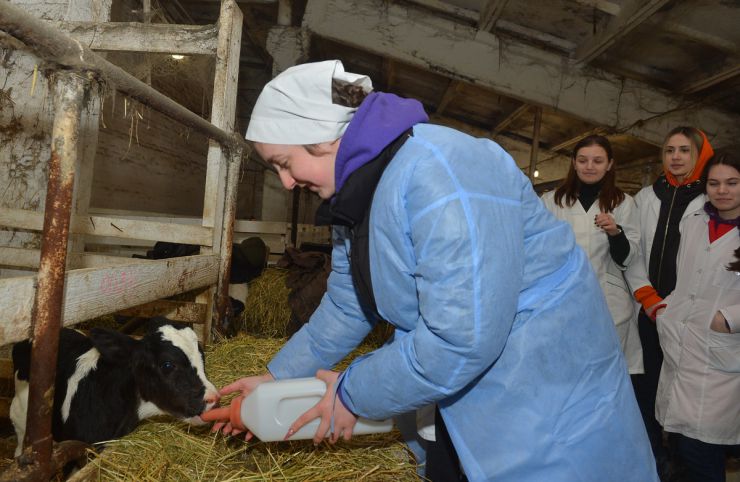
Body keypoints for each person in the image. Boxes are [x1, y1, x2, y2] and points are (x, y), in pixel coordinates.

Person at [215, 60, 657, 481]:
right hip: (466, 387)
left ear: (324, 138)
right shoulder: (356, 194)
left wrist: (353, 392)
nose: (287, 183)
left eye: (284, 163)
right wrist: (278, 377)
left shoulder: (443, 172)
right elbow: (349, 303)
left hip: (544, 392)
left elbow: (460, 339)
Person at [625, 126, 714, 476]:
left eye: (684, 150)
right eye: (669, 150)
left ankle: (681, 457)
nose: (675, 157)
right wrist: (648, 296)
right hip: (647, 309)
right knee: (645, 386)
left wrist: (676, 303)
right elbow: (633, 251)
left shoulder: (709, 198)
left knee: (683, 389)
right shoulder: (647, 195)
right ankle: (652, 458)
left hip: (686, 313)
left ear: (700, 155)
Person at [653, 151, 740, 482]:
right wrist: (667, 309)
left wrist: (729, 319)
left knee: (701, 454)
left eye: (732, 183)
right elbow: (684, 280)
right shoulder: (693, 223)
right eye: (715, 183)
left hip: (719, 355)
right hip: (679, 347)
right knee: (677, 447)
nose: (722, 191)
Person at [541, 135, 643, 375]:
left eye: (598, 161)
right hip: (560, 301)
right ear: (574, 163)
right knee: (562, 373)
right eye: (583, 160)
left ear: (609, 164)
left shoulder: (623, 203)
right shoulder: (552, 201)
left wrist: (615, 233)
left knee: (603, 376)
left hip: (608, 305)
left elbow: (627, 259)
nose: (589, 166)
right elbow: (539, 252)